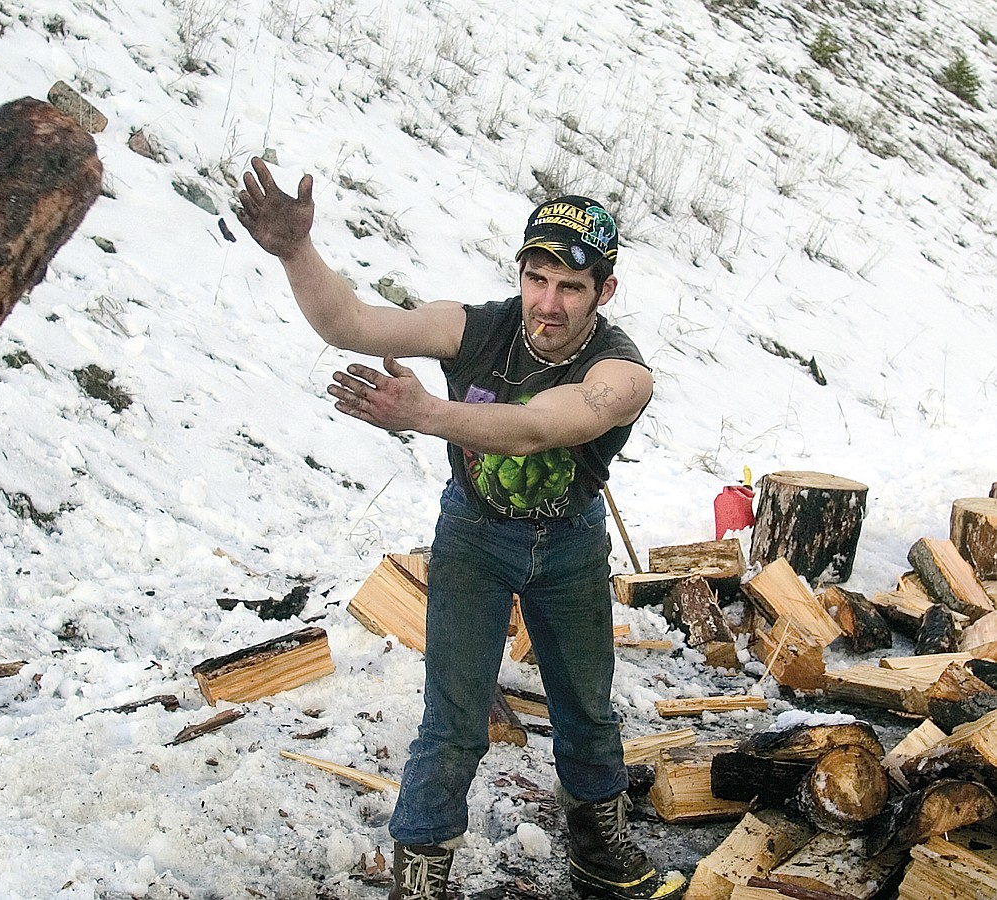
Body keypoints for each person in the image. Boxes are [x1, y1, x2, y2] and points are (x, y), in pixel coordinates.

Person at [237, 156, 685, 900]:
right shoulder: (474, 327)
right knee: (453, 721)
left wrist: (427, 414)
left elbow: (540, 428)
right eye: (537, 280)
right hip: (475, 537)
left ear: (603, 292)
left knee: (587, 708)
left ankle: (597, 849)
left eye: (571, 287)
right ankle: (420, 876)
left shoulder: (622, 373)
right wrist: (296, 251)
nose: (548, 304)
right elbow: (353, 323)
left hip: (570, 545)